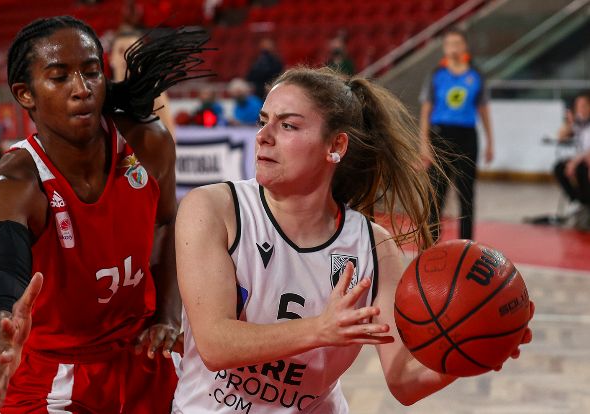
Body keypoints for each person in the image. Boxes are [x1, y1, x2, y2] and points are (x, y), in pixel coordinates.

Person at [172, 67, 532, 412]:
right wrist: (319, 329)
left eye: (288, 125)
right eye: (263, 121)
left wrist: (474, 350)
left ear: (336, 145)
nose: (264, 137)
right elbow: (215, 343)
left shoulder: (373, 248)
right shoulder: (213, 208)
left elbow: (403, 381)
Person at [0, 16, 207, 413]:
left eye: (90, 72)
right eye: (59, 77)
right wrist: (3, 322)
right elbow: (1, 268)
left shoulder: (147, 142)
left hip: (141, 355)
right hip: (54, 372)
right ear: (25, 94)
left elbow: (167, 221)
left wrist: (167, 314)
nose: (81, 89)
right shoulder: (14, 185)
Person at [419, 27, 494, 242]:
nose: (452, 48)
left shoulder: (476, 75)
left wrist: (490, 142)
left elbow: (484, 110)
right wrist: (423, 144)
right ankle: (431, 242)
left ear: (464, 47)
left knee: (467, 194)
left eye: (456, 43)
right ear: (444, 48)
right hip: (440, 136)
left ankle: (467, 244)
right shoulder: (436, 75)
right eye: (448, 44)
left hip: (467, 136)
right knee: (436, 194)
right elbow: (426, 111)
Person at [110, 29, 177, 139]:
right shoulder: (103, 92)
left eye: (133, 51)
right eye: (121, 51)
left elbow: (170, 138)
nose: (127, 57)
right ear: (111, 58)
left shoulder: (153, 91)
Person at [553, 93, 590, 229]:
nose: (580, 108)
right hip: (582, 159)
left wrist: (574, 163)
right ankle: (579, 200)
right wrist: (569, 123)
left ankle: (587, 203)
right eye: (577, 106)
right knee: (559, 167)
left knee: (580, 169)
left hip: (585, 161)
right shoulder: (579, 122)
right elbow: (560, 136)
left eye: (583, 105)